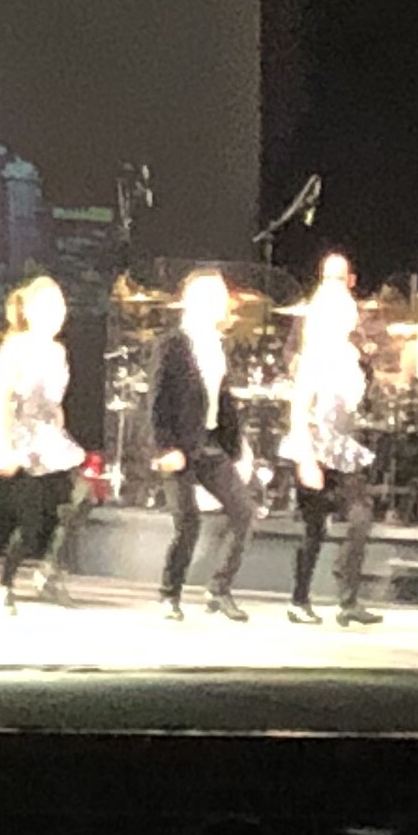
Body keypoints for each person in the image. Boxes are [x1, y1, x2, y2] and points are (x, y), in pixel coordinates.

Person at [148, 266, 266, 622]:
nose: (219, 302)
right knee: (188, 522)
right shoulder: (173, 344)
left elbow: (221, 401)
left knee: (243, 512)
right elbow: (157, 400)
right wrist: (164, 448)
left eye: (220, 296)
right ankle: (169, 593)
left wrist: (238, 448)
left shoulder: (216, 345)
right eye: (211, 296)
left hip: (210, 444)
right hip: (180, 445)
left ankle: (219, 589)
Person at [281, 262, 382, 627]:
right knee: (314, 529)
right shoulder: (313, 358)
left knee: (360, 517)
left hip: (342, 445)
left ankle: (348, 597)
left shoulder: (349, 356)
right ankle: (299, 599)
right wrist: (307, 460)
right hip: (314, 446)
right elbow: (299, 409)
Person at [0, 274, 91, 608]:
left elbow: (54, 398)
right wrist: (2, 445)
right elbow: (0, 398)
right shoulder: (15, 347)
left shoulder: (58, 351)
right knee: (30, 524)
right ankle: (5, 583)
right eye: (47, 306)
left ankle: (49, 571)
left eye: (60, 306)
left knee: (81, 499)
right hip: (22, 437)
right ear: (29, 310)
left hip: (50, 437)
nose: (56, 313)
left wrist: (59, 419)